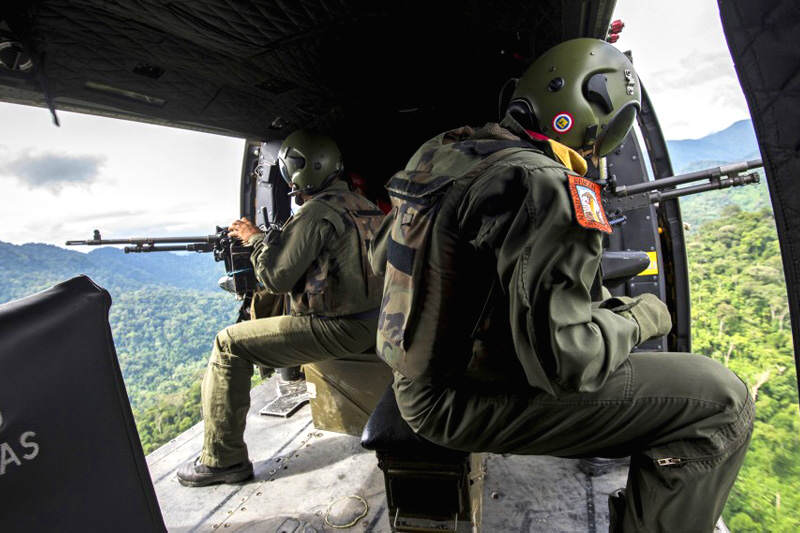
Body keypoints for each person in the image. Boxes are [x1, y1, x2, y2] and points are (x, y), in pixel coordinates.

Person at [370, 38, 753, 532]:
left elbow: (390, 261)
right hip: (453, 403)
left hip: (416, 381)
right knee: (721, 401)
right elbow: (571, 364)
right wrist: (640, 318)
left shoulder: (444, 152)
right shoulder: (546, 185)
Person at [178, 130, 384, 487]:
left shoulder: (317, 212)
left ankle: (222, 460)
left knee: (228, 344)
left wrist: (255, 238)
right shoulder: (362, 204)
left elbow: (276, 278)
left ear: (295, 170)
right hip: (375, 320)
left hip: (341, 327)